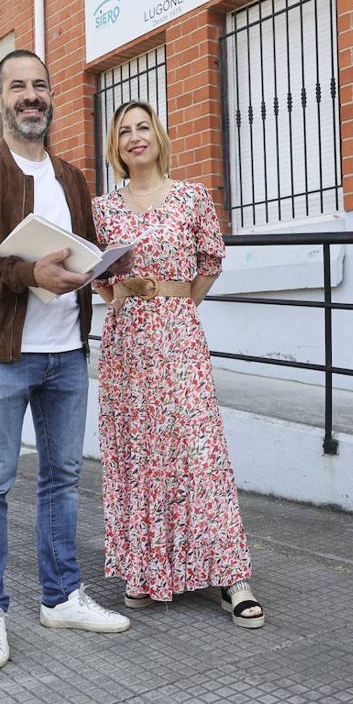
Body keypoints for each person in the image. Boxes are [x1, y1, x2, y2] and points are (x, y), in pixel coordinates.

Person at [0, 50, 133, 671]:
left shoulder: (74, 179)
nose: (31, 95)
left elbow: (81, 254)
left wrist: (101, 272)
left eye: (40, 86)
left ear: (52, 99)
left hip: (66, 355)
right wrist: (28, 272)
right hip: (4, 354)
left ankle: (60, 597)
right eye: (18, 87)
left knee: (63, 480)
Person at [91, 100, 265, 629]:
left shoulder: (191, 197)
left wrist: (180, 302)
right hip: (126, 340)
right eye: (124, 131)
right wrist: (122, 289)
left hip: (178, 333)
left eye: (144, 127)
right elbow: (96, 277)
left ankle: (230, 577)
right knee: (138, 452)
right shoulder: (103, 209)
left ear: (159, 137)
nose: (135, 137)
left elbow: (211, 259)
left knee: (198, 447)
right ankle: (146, 571)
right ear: (115, 147)